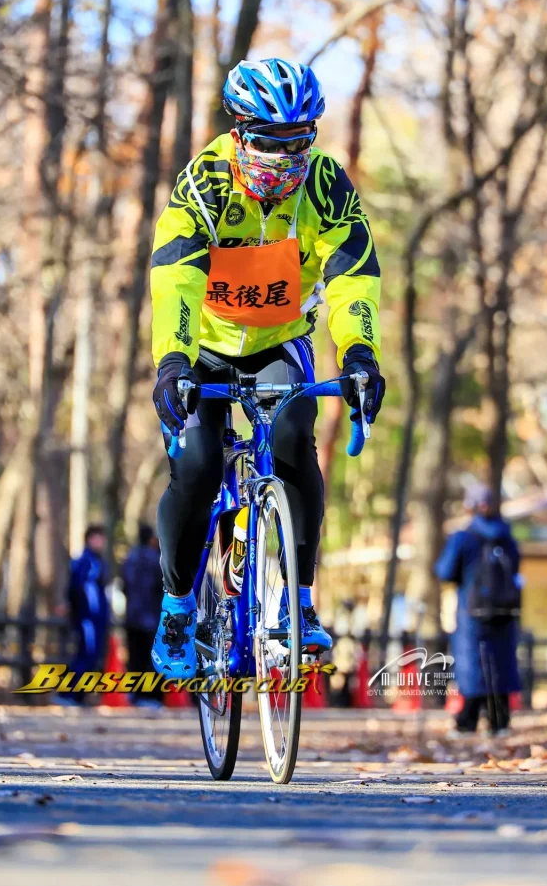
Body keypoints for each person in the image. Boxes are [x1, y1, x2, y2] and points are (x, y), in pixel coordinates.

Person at [149, 58, 384, 679]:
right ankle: (176, 606)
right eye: (270, 141)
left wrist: (360, 355)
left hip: (279, 342)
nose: (285, 156)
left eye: (298, 141)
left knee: (292, 444)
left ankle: (301, 604)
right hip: (205, 345)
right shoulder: (204, 182)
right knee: (197, 468)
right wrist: (172, 362)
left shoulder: (325, 184)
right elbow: (175, 277)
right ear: (239, 129)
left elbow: (352, 274)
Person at [435, 487, 522, 735]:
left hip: (472, 613)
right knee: (501, 663)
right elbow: (516, 566)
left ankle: (467, 720)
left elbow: (445, 572)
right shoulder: (507, 536)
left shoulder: (463, 537)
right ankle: (500, 721)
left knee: (473, 664)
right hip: (504, 612)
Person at [65, 524, 110, 704]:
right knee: (86, 654)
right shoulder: (86, 562)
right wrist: (86, 613)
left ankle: (79, 695)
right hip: (88, 619)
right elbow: (78, 590)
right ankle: (69, 694)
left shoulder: (97, 561)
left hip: (95, 619)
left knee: (91, 655)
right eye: (97, 538)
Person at [121, 523, 164, 704]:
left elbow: (124, 586)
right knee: (153, 658)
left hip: (132, 617)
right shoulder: (156, 560)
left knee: (134, 657)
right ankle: (152, 695)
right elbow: (162, 587)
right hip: (151, 617)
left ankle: (135, 693)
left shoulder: (129, 559)